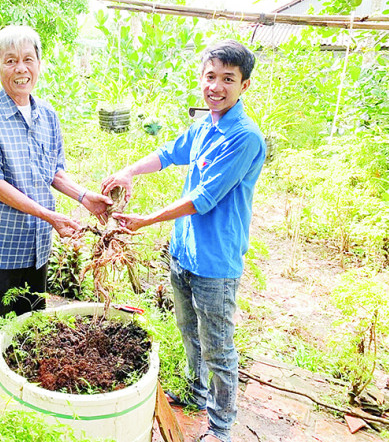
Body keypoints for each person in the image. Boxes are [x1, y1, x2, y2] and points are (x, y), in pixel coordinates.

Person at [101, 40, 266, 442]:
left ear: (244, 85)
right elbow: (169, 153)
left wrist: (145, 221)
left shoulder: (243, 137)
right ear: (202, 78)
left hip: (215, 263)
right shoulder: (205, 125)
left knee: (218, 348)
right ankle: (196, 393)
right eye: (211, 77)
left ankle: (222, 428)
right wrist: (128, 171)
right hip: (184, 254)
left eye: (228, 79)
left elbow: (203, 199)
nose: (216, 86)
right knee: (189, 330)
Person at [0, 25, 112, 411]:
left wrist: (84, 197)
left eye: (29, 59)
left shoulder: (47, 114)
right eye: (11, 60)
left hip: (35, 248)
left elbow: (53, 171)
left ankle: (21, 402)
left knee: (30, 328)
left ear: (40, 64)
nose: (21, 68)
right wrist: (51, 215)